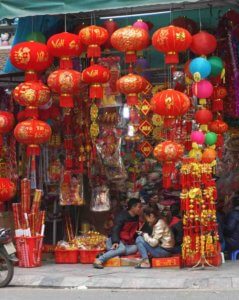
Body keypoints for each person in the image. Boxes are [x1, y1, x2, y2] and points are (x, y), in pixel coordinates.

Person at [93, 198, 142, 269]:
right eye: (139, 207)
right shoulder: (121, 216)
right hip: (114, 240)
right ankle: (99, 260)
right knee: (121, 249)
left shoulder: (136, 217)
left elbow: (134, 231)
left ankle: (110, 253)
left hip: (125, 243)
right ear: (133, 207)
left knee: (135, 248)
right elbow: (115, 229)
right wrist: (115, 241)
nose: (141, 209)